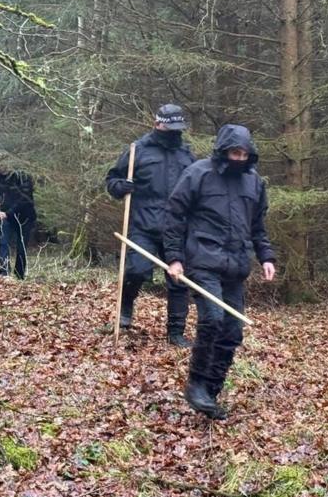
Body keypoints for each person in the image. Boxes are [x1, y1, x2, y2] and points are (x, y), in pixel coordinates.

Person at [163, 123, 276, 420]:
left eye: (243, 153)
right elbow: (174, 215)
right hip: (202, 260)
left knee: (232, 331)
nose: (238, 158)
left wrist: (266, 257)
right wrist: (174, 258)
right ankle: (196, 383)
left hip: (236, 266)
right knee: (212, 318)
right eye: (234, 152)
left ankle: (211, 391)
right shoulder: (198, 173)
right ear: (223, 150)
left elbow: (258, 227)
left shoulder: (254, 183)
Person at [106, 104, 196, 347]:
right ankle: (125, 309)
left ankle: (176, 331)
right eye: (169, 127)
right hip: (142, 225)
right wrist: (119, 187)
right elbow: (112, 179)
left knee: (178, 280)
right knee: (136, 270)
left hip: (176, 229)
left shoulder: (187, 155)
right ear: (158, 124)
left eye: (178, 128)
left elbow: (198, 190)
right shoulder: (138, 150)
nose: (173, 133)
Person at [0, 169, 37, 279]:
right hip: (5, 215)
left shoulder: (24, 177)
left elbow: (25, 200)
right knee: (3, 242)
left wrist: (8, 213)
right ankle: (4, 272)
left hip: (24, 216)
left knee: (21, 246)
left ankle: (20, 274)